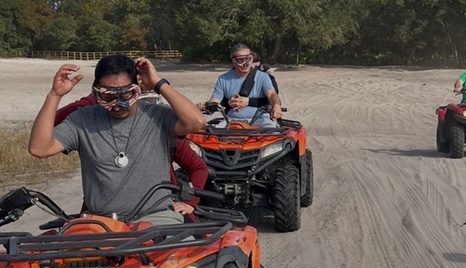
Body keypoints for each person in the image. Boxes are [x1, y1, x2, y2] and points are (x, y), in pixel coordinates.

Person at [28, 55, 206, 225]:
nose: (117, 105)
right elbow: (39, 149)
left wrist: (158, 83)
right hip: (100, 221)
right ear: (96, 92)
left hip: (157, 217)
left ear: (137, 87)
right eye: (108, 97)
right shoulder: (82, 120)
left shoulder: (157, 116)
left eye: (125, 95)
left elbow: (196, 122)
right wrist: (54, 95)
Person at [54, 92, 208, 215]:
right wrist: (105, 91)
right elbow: (57, 121)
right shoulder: (93, 128)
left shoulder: (162, 130)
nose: (120, 106)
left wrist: (190, 202)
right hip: (101, 214)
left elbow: (198, 166)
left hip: (155, 213)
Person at [197, 43, 282, 124]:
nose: (245, 63)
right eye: (240, 60)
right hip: (231, 121)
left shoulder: (263, 77)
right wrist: (205, 106)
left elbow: (272, 95)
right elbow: (215, 101)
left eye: (248, 59)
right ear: (233, 61)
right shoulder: (223, 79)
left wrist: (277, 106)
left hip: (261, 120)